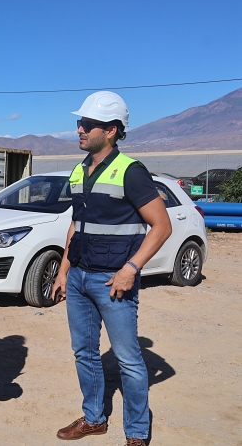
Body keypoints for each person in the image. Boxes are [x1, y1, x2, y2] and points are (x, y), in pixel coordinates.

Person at [51, 91, 172, 446]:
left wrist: (131, 268)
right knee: (84, 352)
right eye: (79, 123)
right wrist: (63, 270)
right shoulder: (79, 170)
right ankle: (94, 419)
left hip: (113, 281)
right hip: (78, 279)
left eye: (88, 124)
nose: (80, 130)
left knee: (129, 360)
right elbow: (77, 225)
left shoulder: (130, 172)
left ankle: (136, 431)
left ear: (113, 130)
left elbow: (162, 226)